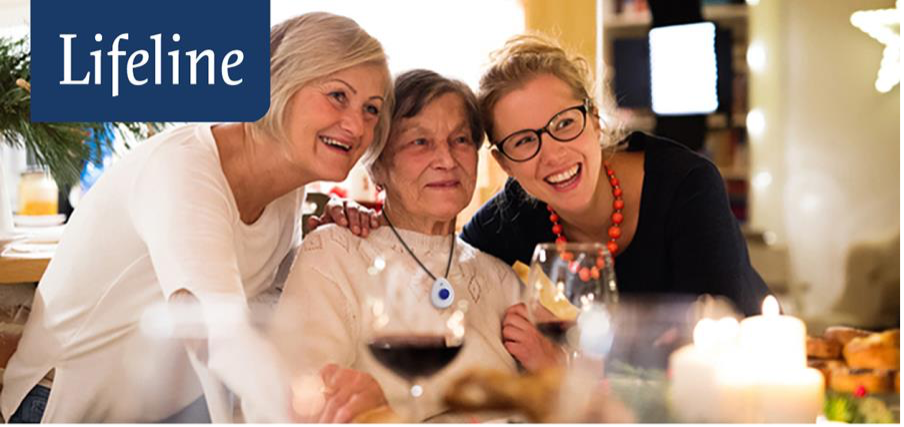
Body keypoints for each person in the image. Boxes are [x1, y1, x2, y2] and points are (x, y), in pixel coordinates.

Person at [1, 12, 392, 424]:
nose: (356, 124)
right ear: (280, 80)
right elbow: (220, 335)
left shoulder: (285, 185)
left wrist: (325, 237)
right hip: (64, 412)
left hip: (166, 412)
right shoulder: (183, 171)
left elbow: (264, 303)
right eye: (337, 96)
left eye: (371, 109)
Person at [316, 33, 772, 370]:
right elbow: (435, 251)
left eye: (564, 123)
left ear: (595, 120)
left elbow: (726, 356)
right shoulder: (507, 223)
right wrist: (367, 216)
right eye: (523, 141)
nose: (552, 153)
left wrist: (564, 367)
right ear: (503, 162)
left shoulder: (687, 184)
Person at [271, 69, 525, 423]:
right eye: (419, 142)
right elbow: (300, 405)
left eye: (461, 140)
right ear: (376, 166)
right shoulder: (333, 252)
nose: (447, 160)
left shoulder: (501, 279)